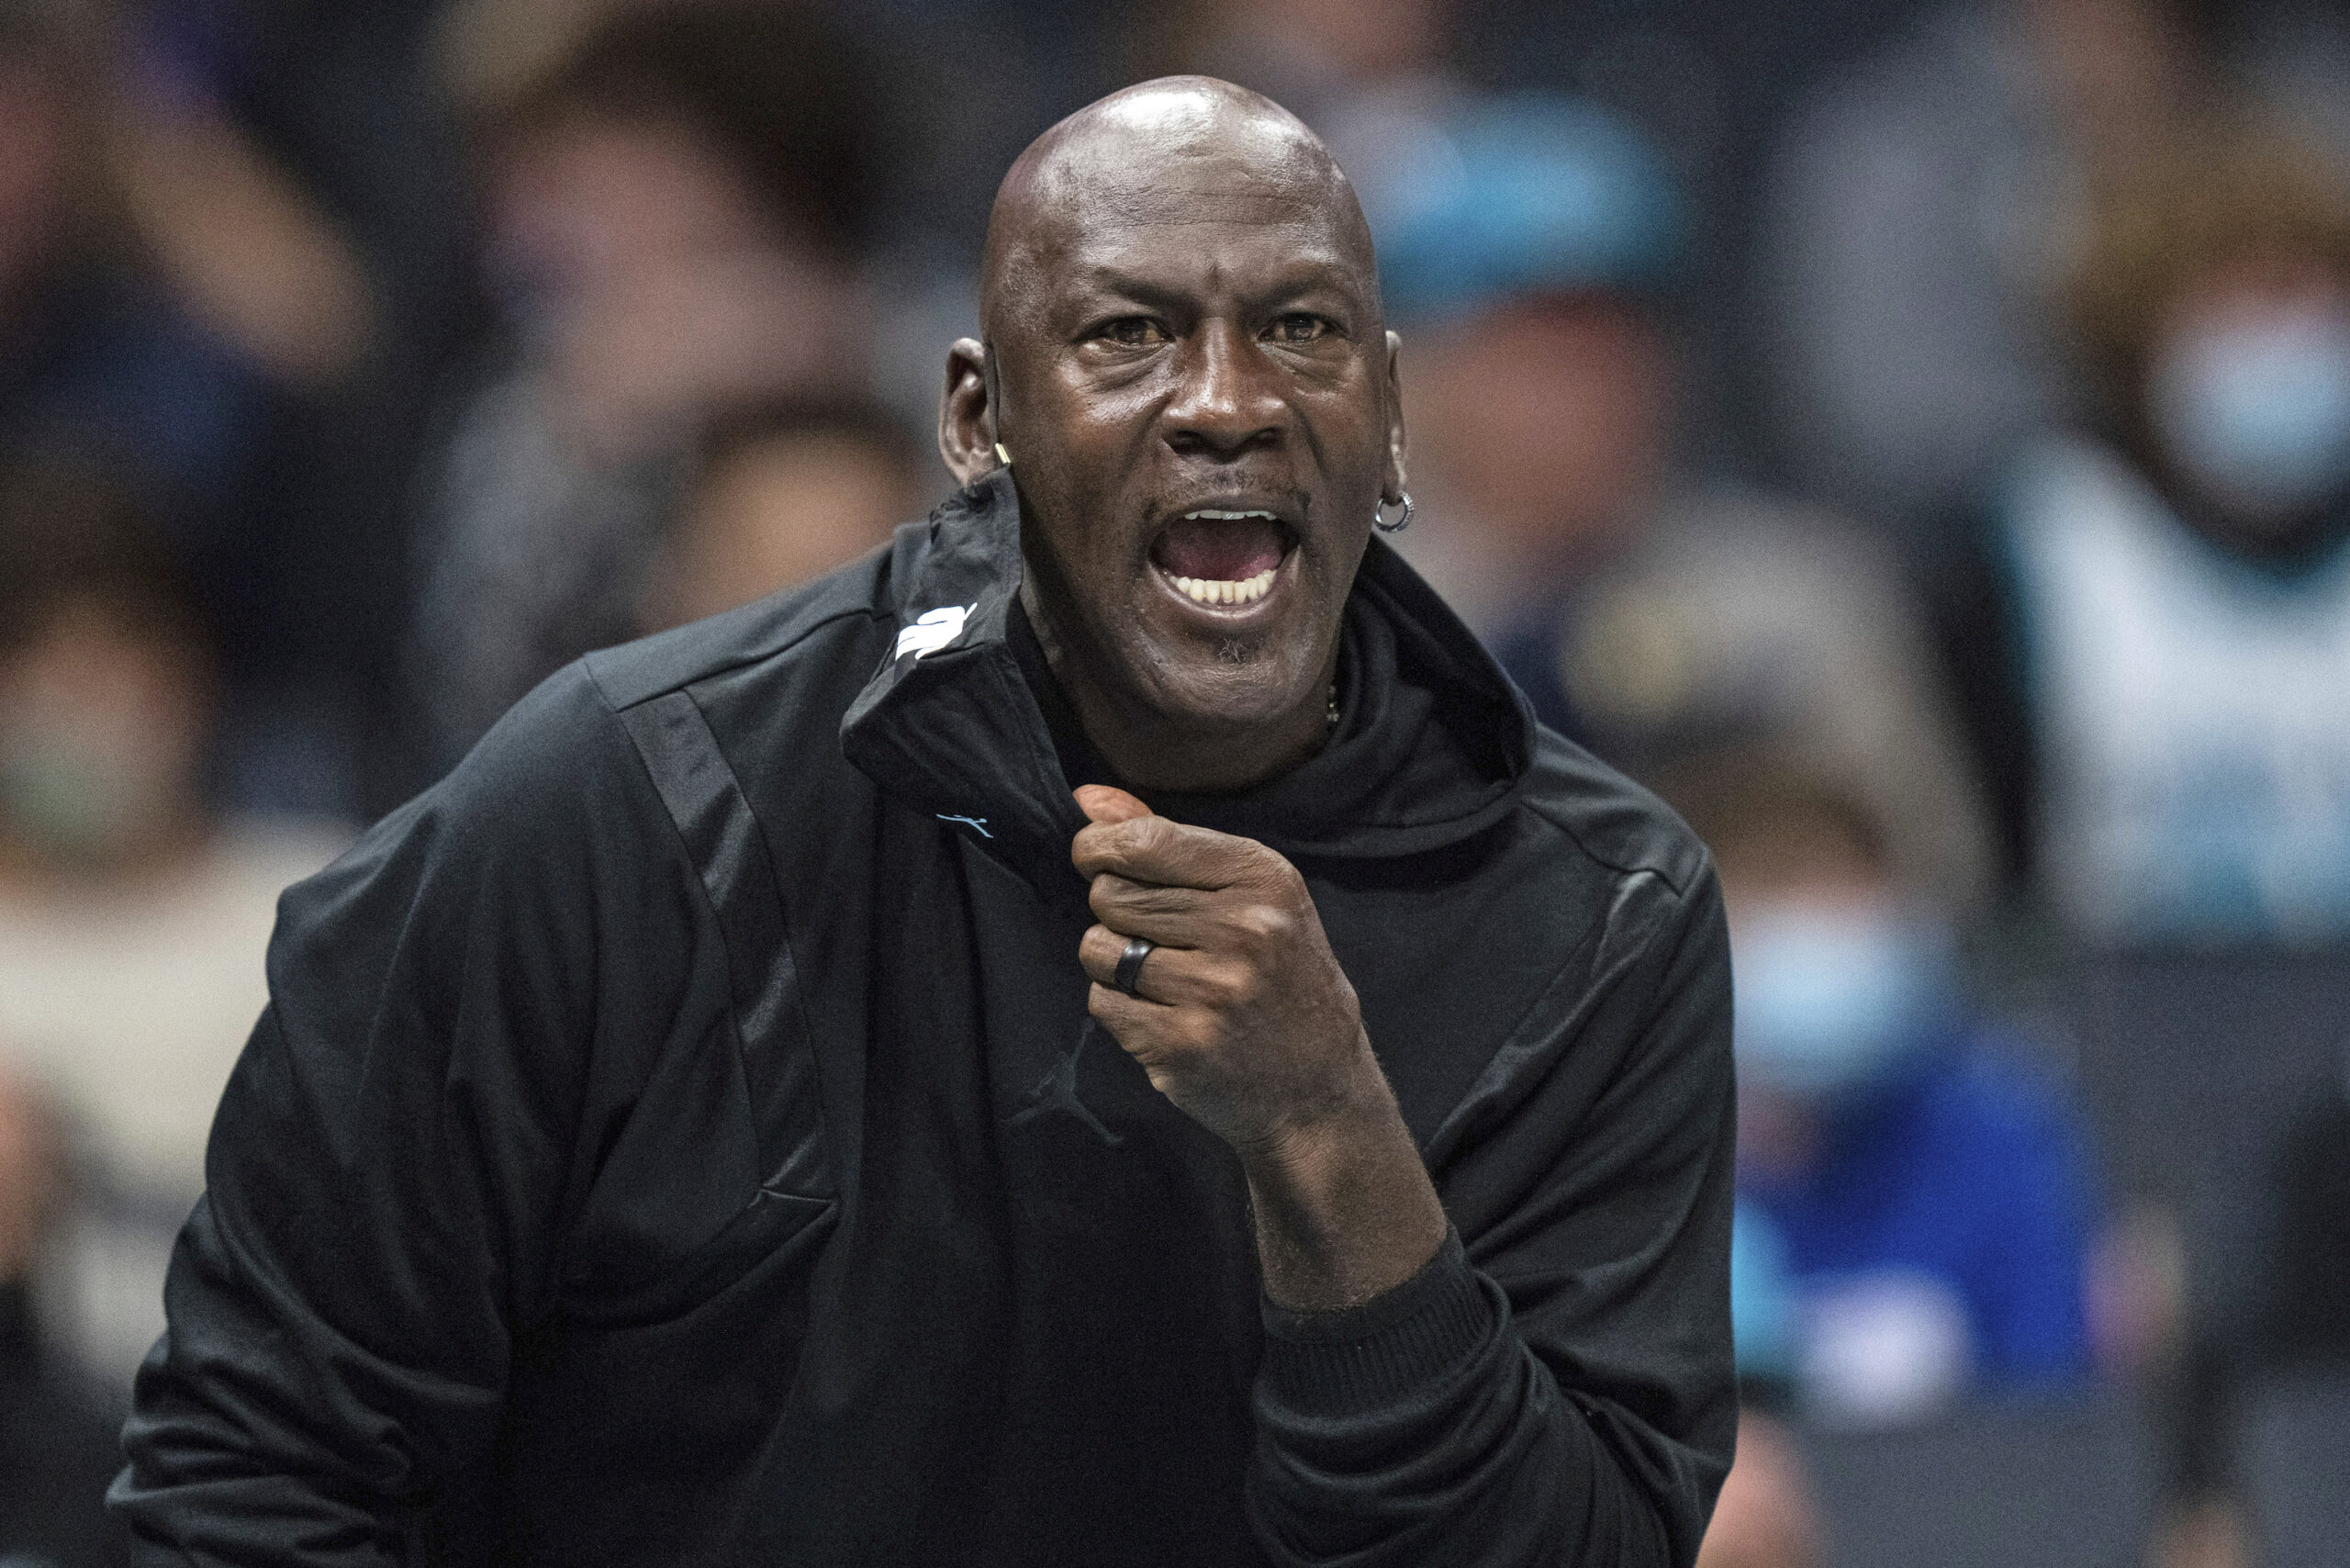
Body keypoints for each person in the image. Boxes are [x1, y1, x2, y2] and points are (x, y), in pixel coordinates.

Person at [114, 78, 1736, 1565]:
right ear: (976, 420)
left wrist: (1330, 1136)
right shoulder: (621, 807)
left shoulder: (1600, 914)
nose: (1226, 402)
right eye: (1128, 335)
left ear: (1386, 414)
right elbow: (260, 1472)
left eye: (1300, 330)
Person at [1943, 123, 2350, 936]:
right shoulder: (2038, 550)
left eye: (2301, 293)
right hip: (2117, 1007)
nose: (2277, 334)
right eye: (2230, 300)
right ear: (2137, 340)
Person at [0, 463, 345, 1384]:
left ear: (194, 670)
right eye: (32, 656)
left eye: (118, 646)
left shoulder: (332, 906)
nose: (79, 692)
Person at [1668, 755, 2095, 1428]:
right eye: (1783, 903)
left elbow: (2056, 1413)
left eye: (1843, 906)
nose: (1821, 944)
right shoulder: (1647, 1170)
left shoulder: (1997, 1139)